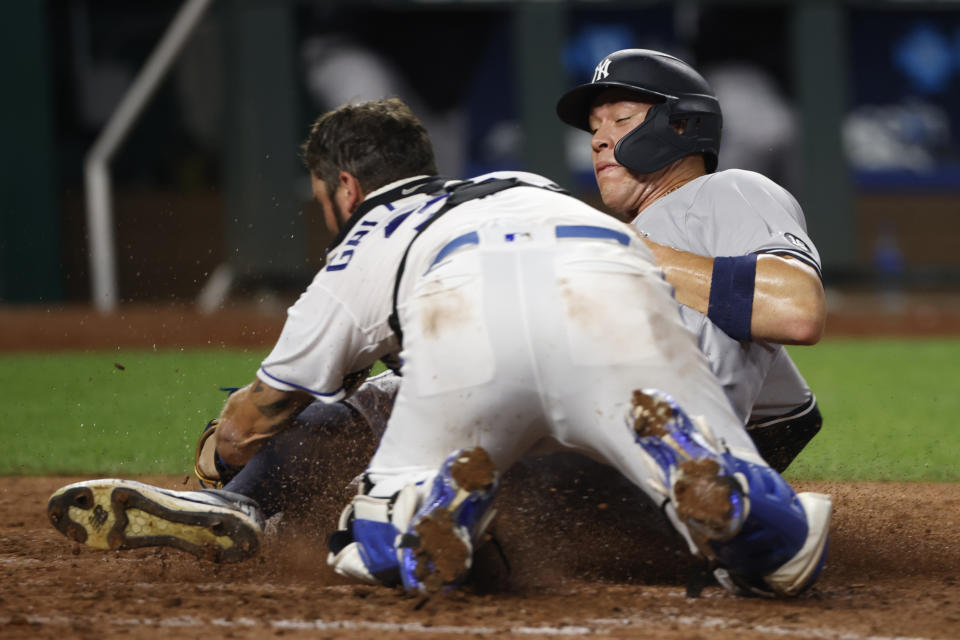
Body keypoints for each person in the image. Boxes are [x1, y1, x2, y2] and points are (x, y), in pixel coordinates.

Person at [48, 98, 830, 598]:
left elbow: (265, 408)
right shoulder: (528, 186)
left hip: (467, 336)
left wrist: (216, 460)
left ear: (344, 192)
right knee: (771, 540)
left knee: (387, 537)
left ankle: (412, 517)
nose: (600, 142)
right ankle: (754, 517)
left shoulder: (370, 243)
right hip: (615, 302)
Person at [556, 48, 826, 472]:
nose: (597, 139)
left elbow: (796, 310)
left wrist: (633, 255)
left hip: (663, 456)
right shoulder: (633, 236)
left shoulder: (727, 192)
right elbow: (788, 416)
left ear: (680, 125)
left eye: (622, 120)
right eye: (594, 127)